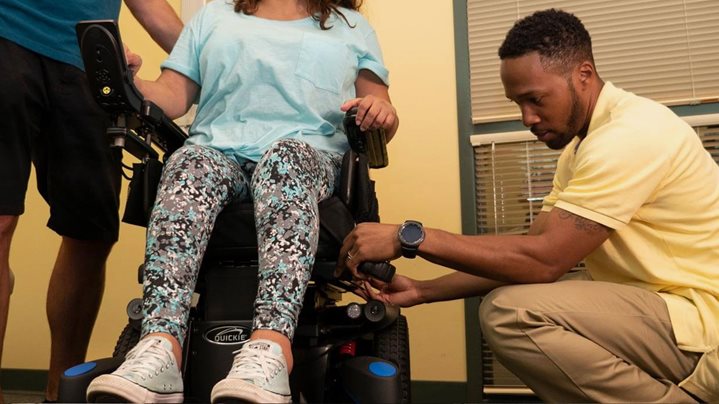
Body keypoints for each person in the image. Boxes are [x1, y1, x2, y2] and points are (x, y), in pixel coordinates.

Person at [339, 8, 719, 403]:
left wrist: (408, 237)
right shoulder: (583, 147)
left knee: (511, 313)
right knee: (516, 299)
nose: (527, 117)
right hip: (669, 310)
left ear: (583, 75)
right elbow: (528, 256)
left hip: (702, 321)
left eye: (535, 99)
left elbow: (543, 261)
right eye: (517, 102)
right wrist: (421, 290)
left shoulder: (631, 135)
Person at [85, 0, 398, 402]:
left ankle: (271, 348)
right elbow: (171, 96)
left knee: (283, 159)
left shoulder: (351, 27)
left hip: (306, 156)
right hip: (221, 151)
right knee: (188, 161)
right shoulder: (213, 18)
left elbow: (383, 111)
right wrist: (129, 83)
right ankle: (160, 347)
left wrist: (381, 111)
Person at [0, 1, 183, 403]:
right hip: (6, 35)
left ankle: (59, 392)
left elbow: (152, 8)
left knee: (90, 234)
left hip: (86, 58)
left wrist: (212, 59)